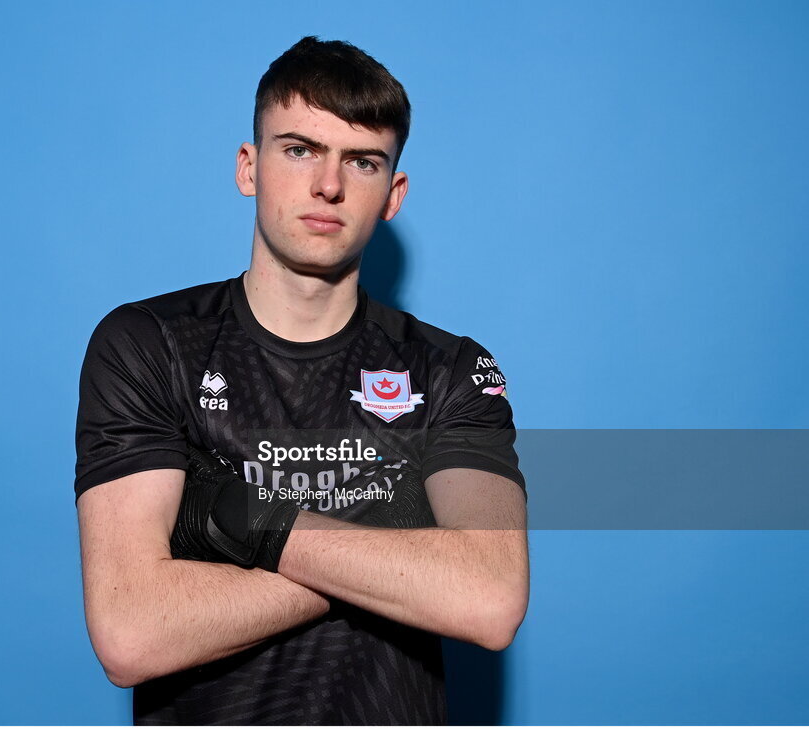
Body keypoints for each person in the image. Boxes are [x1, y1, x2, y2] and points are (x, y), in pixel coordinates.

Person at [74, 36, 529, 725]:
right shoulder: (149, 343)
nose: (328, 185)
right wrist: (394, 531)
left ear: (392, 194)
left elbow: (488, 600)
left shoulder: (452, 369)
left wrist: (247, 520)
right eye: (299, 149)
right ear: (247, 168)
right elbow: (130, 632)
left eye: (362, 160)